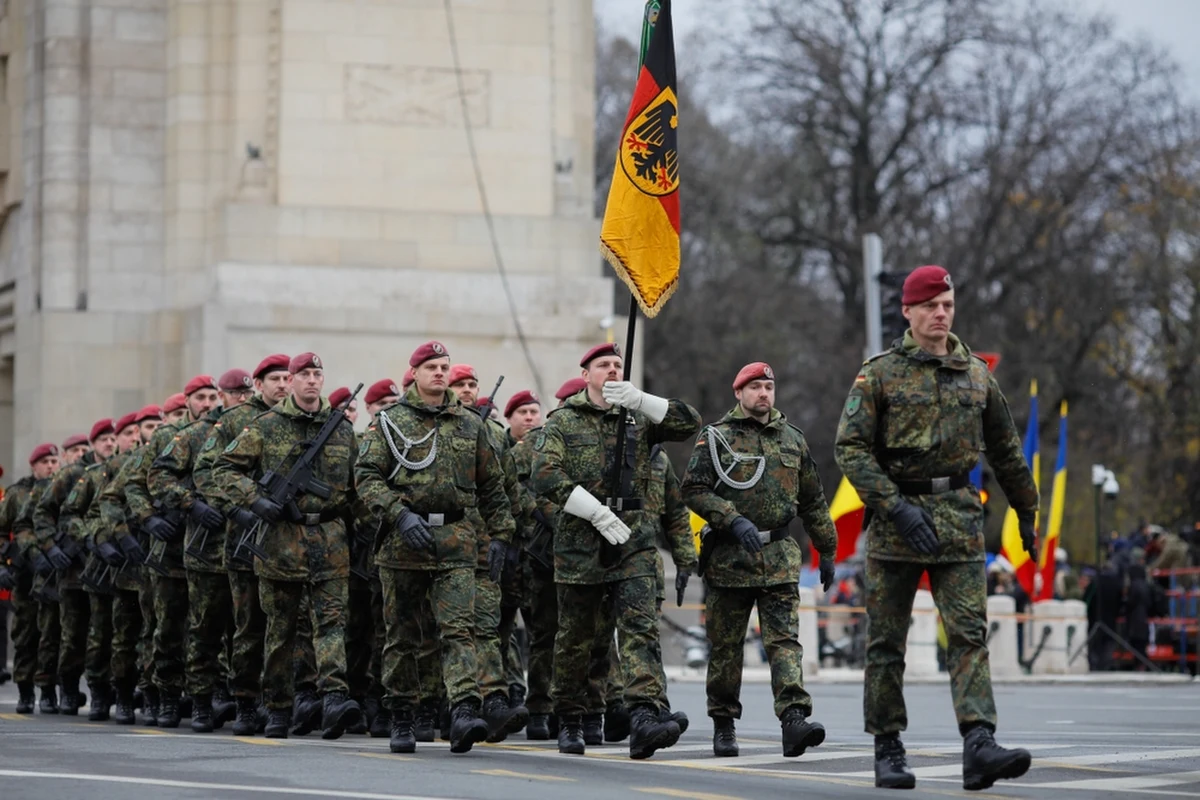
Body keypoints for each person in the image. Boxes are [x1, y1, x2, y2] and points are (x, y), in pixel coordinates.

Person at [834, 264, 1039, 791]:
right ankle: (888, 748)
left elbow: (1007, 450)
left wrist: (1027, 510)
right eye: (930, 306)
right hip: (896, 524)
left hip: (960, 523)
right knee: (887, 643)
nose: (941, 313)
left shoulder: (977, 375)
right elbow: (849, 448)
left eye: (947, 304)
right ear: (908, 311)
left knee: (969, 635)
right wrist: (895, 507)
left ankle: (978, 743)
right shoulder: (878, 374)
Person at [531, 342, 701, 759]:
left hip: (634, 540)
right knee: (576, 637)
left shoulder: (638, 418)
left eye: (617, 365)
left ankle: (643, 713)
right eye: (603, 365)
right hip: (580, 541)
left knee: (640, 628)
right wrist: (593, 512)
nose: (612, 370)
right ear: (586, 373)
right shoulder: (564, 422)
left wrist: (644, 400)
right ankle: (571, 716)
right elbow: (545, 474)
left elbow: (689, 424)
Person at [355, 342, 517, 755]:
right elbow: (367, 476)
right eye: (432, 367)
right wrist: (398, 514)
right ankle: (403, 717)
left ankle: (463, 710)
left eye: (445, 367)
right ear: (415, 372)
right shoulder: (391, 422)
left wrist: (501, 534)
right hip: (403, 543)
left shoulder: (469, 423)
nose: (440, 373)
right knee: (402, 636)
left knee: (457, 630)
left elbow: (492, 485)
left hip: (456, 542)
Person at [683, 361, 836, 758]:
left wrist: (828, 548)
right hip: (730, 559)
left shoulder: (792, 439)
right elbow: (693, 489)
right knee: (726, 648)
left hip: (780, 558)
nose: (763, 393)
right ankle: (723, 723)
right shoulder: (716, 438)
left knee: (785, 641)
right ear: (739, 393)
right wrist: (731, 519)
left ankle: (794, 720)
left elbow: (813, 499)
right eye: (754, 387)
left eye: (768, 386)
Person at [211, 352, 362, 740]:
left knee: (331, 624)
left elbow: (358, 487)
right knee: (280, 630)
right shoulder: (266, 426)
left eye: (317, 374)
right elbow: (223, 469)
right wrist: (253, 499)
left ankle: (333, 697)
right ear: (290, 381)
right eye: (304, 374)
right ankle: (278, 706)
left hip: (328, 540)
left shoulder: (341, 430)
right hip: (281, 543)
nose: (312, 381)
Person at [192, 353, 291, 735]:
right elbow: (208, 471)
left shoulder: (299, 422)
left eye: (287, 378)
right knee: (246, 627)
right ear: (259, 384)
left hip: (287, 542)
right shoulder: (234, 421)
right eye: (276, 379)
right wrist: (238, 507)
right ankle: (245, 702)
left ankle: (278, 701)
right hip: (246, 541)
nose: (283, 385)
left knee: (283, 628)